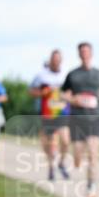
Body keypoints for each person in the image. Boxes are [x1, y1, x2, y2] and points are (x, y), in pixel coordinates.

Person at [61, 42, 99, 197]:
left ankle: (91, 186)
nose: (84, 53)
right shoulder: (73, 74)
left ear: (91, 53)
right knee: (78, 156)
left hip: (95, 118)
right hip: (77, 118)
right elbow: (63, 94)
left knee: (93, 152)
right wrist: (73, 100)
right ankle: (76, 161)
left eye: (87, 51)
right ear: (79, 54)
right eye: (82, 51)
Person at [29, 49, 71, 180]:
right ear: (51, 60)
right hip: (47, 112)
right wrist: (43, 93)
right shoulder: (41, 76)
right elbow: (31, 91)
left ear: (61, 61)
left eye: (58, 59)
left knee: (65, 140)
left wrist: (65, 95)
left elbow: (71, 91)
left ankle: (61, 163)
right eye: (54, 59)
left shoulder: (66, 74)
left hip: (62, 111)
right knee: (50, 141)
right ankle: (51, 168)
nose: (56, 62)